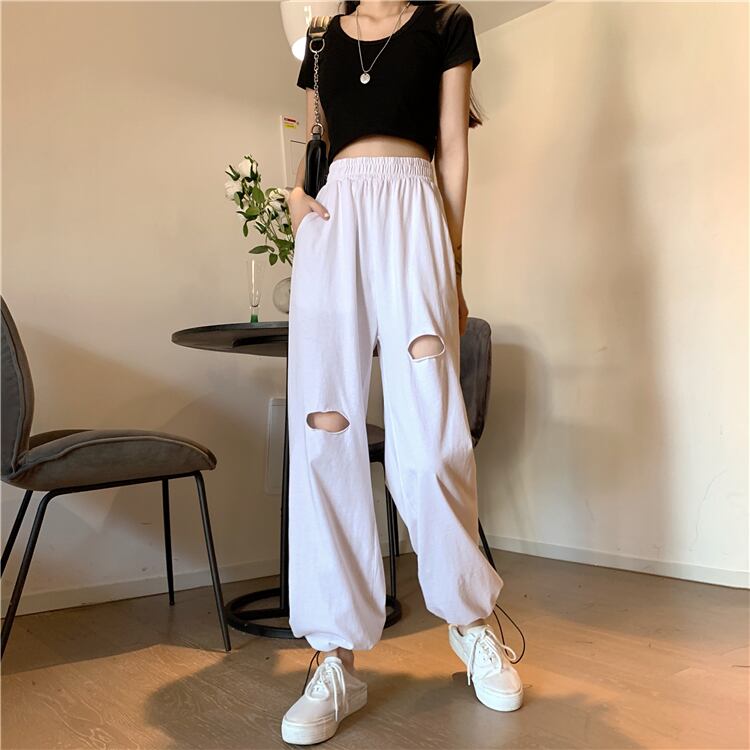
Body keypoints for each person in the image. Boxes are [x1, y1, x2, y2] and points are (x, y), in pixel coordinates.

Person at [282, 1, 523, 744]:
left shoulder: (445, 24)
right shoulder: (321, 39)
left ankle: (471, 622)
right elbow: (314, 136)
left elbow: (453, 149)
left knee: (431, 432)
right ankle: (333, 656)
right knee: (324, 428)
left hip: (415, 214)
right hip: (335, 223)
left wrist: (454, 266)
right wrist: (296, 202)